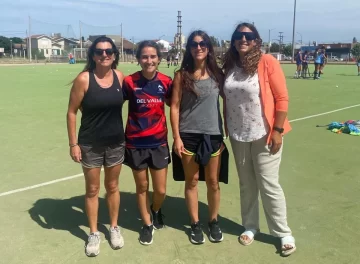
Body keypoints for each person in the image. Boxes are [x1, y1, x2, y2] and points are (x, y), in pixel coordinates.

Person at [222, 22, 296, 256]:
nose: (243, 39)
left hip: (265, 133)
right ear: (233, 40)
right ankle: (250, 226)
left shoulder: (267, 62)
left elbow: (282, 98)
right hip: (237, 134)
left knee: (269, 184)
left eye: (248, 36)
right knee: (246, 184)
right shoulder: (231, 65)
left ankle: (283, 232)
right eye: (238, 36)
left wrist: (277, 130)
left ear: (256, 40)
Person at [66, 36, 125, 257]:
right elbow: (72, 111)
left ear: (114, 54)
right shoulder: (83, 79)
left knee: (113, 187)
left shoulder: (120, 77)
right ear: (92, 55)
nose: (104, 55)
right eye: (99, 51)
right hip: (90, 144)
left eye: (109, 51)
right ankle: (93, 233)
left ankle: (114, 228)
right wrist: (74, 143)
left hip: (116, 142)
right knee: (92, 190)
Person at [170, 30, 225, 244]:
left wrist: (228, 125)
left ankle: (213, 221)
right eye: (194, 44)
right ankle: (194, 224)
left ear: (209, 47)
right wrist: (176, 137)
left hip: (213, 135)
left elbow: (230, 100)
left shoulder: (217, 75)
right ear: (189, 48)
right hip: (188, 135)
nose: (199, 47)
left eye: (203, 43)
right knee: (191, 182)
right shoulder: (181, 76)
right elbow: (174, 107)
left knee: (213, 182)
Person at [122, 40, 172, 246]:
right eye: (144, 57)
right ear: (138, 59)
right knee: (142, 187)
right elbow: (112, 104)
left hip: (159, 142)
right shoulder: (129, 82)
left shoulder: (167, 82)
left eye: (152, 57)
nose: (149, 60)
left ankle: (156, 210)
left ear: (159, 59)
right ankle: (146, 224)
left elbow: (175, 106)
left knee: (160, 191)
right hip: (135, 143)